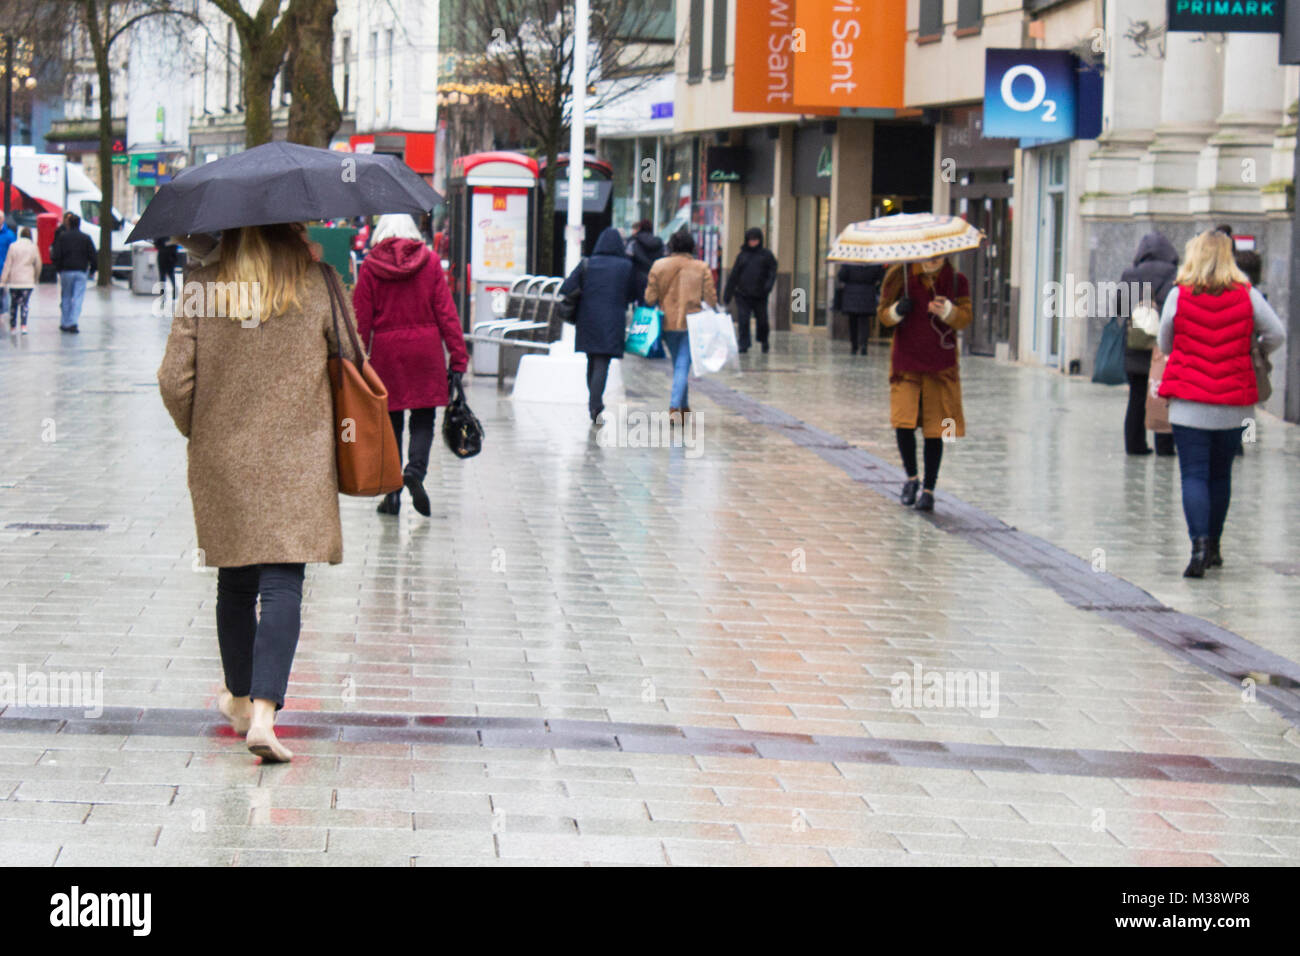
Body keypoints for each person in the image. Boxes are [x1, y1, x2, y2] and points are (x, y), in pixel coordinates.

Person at [157, 222, 356, 763]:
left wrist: (202, 429)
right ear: (292, 231)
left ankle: (241, 699)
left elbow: (175, 379)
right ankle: (263, 713)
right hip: (300, 457)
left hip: (224, 458)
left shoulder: (202, 285)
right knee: (284, 582)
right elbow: (353, 359)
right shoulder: (319, 282)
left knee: (236, 583)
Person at [1156, 230, 1285, 578]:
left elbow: (1165, 342)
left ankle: (1197, 546)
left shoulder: (1178, 296)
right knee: (1221, 474)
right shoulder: (1248, 296)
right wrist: (1253, 346)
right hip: (1233, 405)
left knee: (1193, 475)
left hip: (1188, 402)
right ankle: (1214, 545)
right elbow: (1277, 333)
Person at [352, 213, 469, 517]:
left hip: (387, 355)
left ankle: (392, 493)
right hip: (425, 350)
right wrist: (458, 356)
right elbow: (446, 312)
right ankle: (415, 472)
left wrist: (357, 362)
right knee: (423, 418)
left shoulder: (371, 267)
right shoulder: (429, 262)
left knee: (391, 422)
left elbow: (361, 321)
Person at [876, 255, 973, 513]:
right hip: (906, 364)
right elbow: (883, 315)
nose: (933, 259)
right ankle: (911, 478)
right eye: (928, 254)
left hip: (940, 366)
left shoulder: (955, 280)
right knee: (903, 422)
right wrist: (898, 310)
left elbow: (965, 318)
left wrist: (949, 312)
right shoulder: (900, 276)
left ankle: (929, 489)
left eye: (938, 254)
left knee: (936, 429)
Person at [561, 225, 636, 424]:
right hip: (613, 319)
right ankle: (595, 405)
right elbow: (635, 292)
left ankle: (594, 403)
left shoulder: (587, 264)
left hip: (587, 319)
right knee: (602, 362)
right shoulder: (625, 266)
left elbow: (566, 287)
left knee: (592, 360)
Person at [645, 228, 717, 424]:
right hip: (691, 323)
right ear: (691, 247)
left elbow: (649, 298)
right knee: (682, 365)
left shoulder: (658, 266)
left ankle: (683, 407)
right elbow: (711, 298)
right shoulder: (701, 267)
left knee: (679, 364)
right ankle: (675, 406)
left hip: (666, 322)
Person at [1118, 233, 1179, 456]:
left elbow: (1120, 308)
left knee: (1135, 397)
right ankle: (1164, 446)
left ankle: (1134, 445)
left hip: (1135, 345)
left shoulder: (1130, 274)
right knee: (1162, 396)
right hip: (1162, 347)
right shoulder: (1174, 275)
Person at [723, 227, 777, 353]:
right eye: (751, 240)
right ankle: (744, 344)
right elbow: (734, 275)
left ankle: (764, 340)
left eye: (755, 240)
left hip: (760, 294)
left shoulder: (767, 255)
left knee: (762, 320)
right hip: (743, 294)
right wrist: (728, 294)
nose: (753, 243)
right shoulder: (742, 256)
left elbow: (772, 272)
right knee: (743, 320)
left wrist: (767, 287)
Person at [50, 213, 96, 333]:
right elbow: (93, 255)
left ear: (69, 224)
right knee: (78, 297)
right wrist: (92, 270)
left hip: (66, 271)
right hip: (81, 271)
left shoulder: (63, 237)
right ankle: (73, 322)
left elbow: (56, 255)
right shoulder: (86, 238)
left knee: (66, 296)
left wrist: (59, 268)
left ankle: (65, 322)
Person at [834, 263, 885, 356]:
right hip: (868, 293)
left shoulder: (850, 262)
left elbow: (841, 276)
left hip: (851, 294)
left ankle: (854, 345)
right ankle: (864, 345)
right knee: (864, 322)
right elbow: (881, 277)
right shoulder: (873, 263)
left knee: (853, 322)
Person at [1, 226, 40, 334]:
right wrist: (36, 278)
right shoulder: (33, 247)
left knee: (13, 304)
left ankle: (13, 327)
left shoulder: (13, 246)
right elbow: (38, 264)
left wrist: (3, 280)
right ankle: (23, 326)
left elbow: (8, 264)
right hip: (27, 281)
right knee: (25, 304)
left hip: (14, 281)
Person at [626, 219, 664, 305]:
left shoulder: (633, 243)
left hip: (638, 281)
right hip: (656, 280)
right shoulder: (659, 243)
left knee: (639, 308)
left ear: (640, 228)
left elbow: (628, 262)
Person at [0, 220, 15, 317]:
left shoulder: (9, 235)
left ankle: (3, 313)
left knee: (4, 292)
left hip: (4, 267)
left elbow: (14, 251)